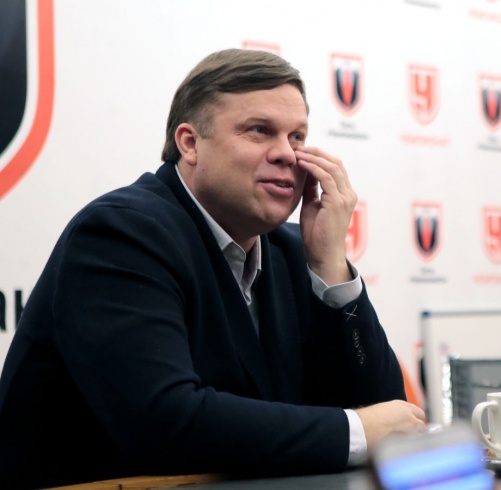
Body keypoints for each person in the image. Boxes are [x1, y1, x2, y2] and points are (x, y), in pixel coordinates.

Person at [0, 48, 426, 489]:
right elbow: (164, 422)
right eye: (260, 131)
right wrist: (354, 431)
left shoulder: (296, 250)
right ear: (190, 143)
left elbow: (390, 417)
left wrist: (331, 268)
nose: (287, 154)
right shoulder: (121, 234)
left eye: (297, 136)